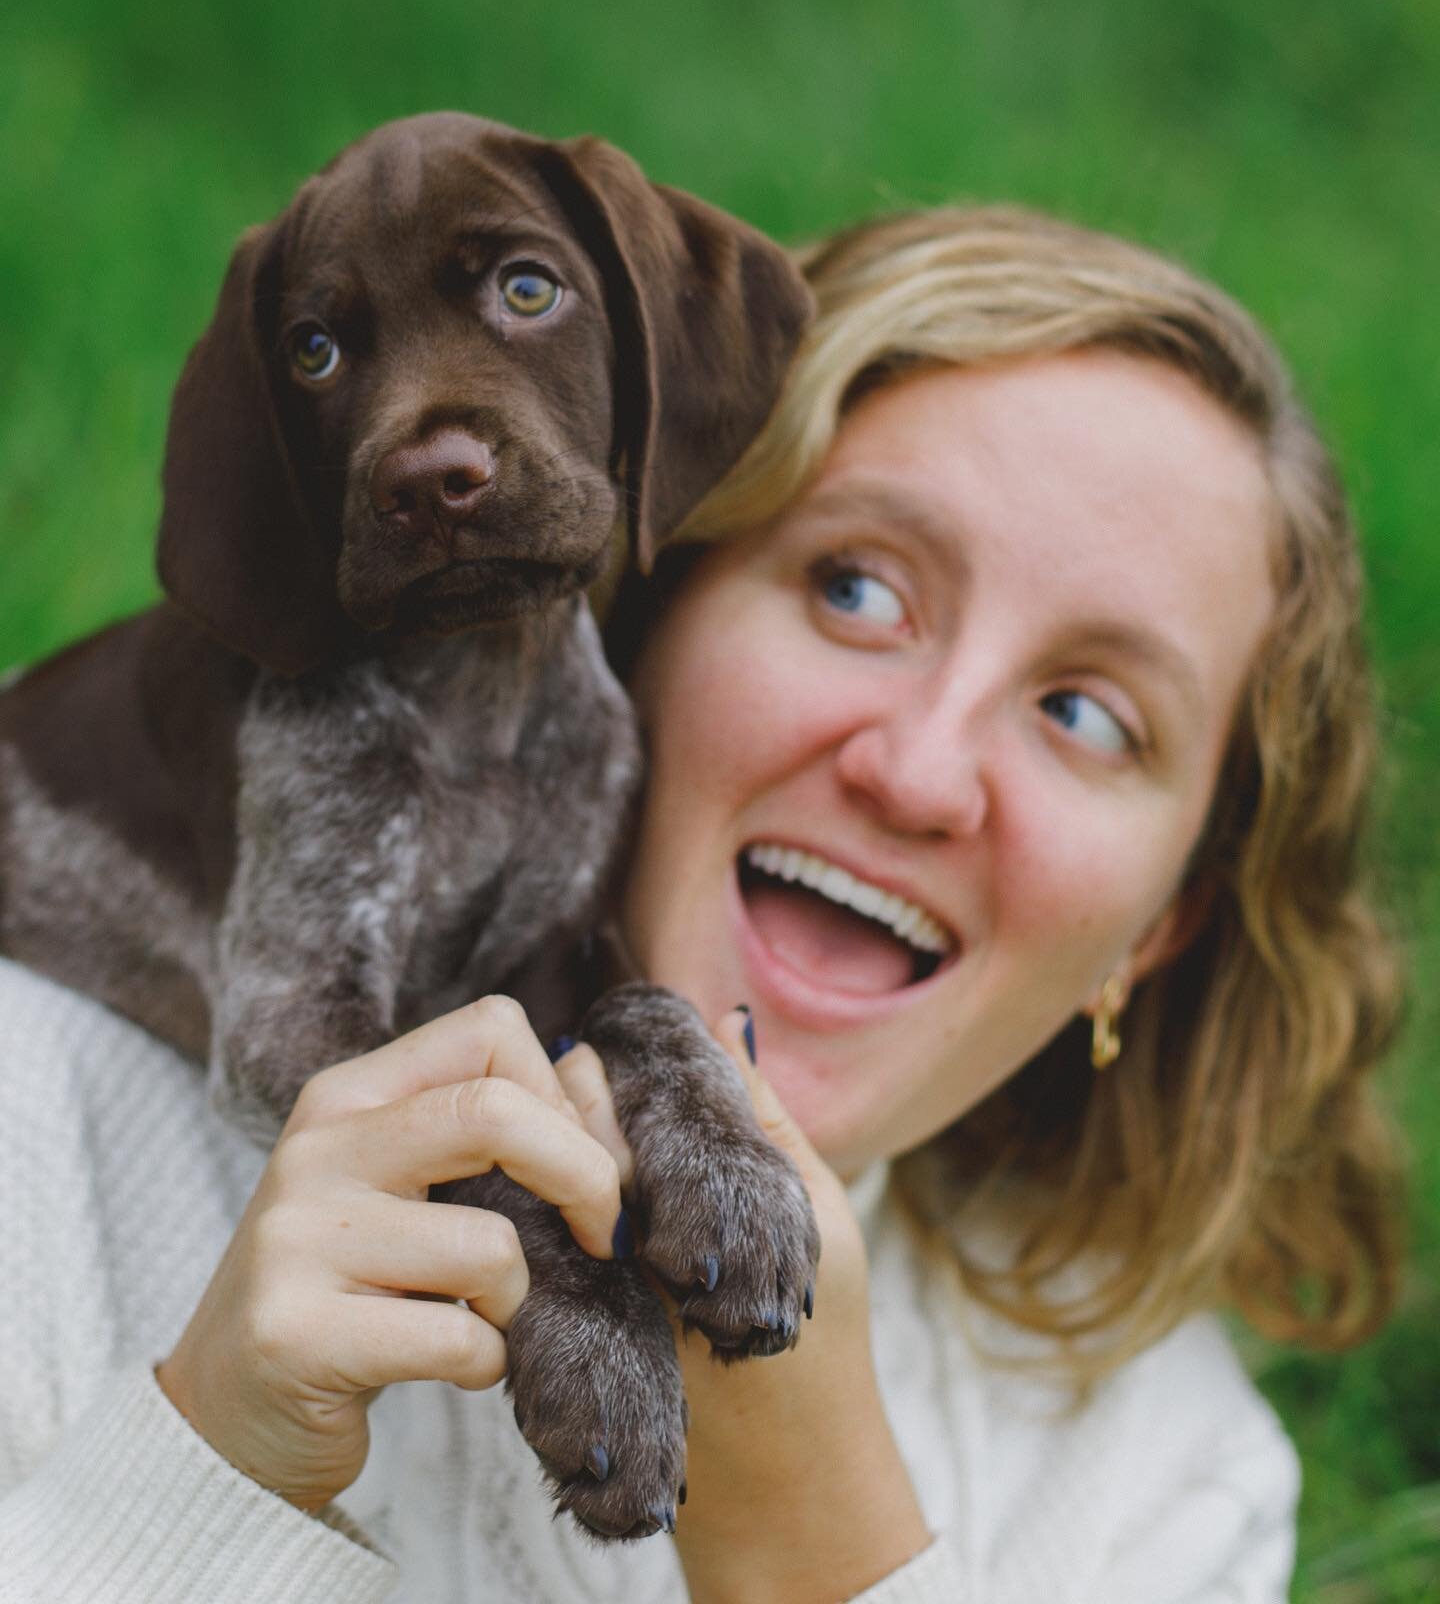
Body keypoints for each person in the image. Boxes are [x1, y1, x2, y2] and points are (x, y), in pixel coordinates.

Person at [0, 206, 1402, 1602]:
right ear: (644, 612)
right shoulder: (40, 1132)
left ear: (1158, 928)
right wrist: (201, 1475)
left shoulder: (1151, 1476)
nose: (920, 771)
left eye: (1089, 716)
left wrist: (817, 1545)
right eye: (856, 588)